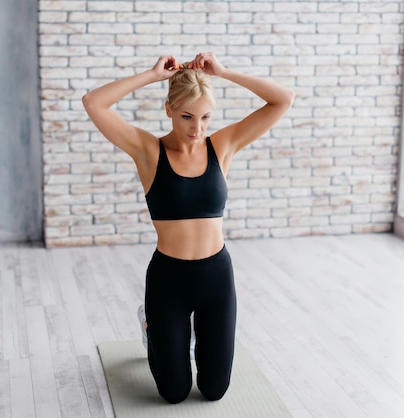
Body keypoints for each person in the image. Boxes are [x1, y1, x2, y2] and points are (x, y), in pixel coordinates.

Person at [82, 52, 295, 404]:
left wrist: (224, 72)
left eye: (206, 117)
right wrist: (151, 76)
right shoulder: (148, 151)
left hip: (216, 278)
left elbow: (282, 99)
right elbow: (94, 103)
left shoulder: (222, 146)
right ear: (169, 109)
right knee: (174, 393)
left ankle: (184, 337)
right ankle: (152, 329)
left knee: (214, 390)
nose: (197, 128)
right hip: (169, 280)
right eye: (186, 116)